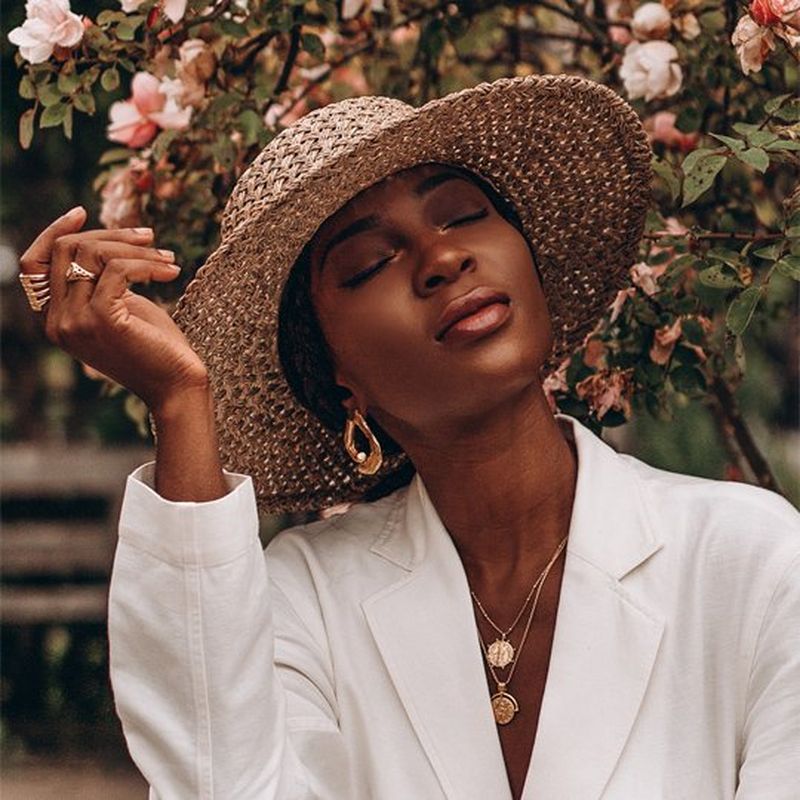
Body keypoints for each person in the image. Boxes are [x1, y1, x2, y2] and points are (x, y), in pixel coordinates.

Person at [17, 74, 800, 799]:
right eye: (366, 264)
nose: (442, 257)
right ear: (339, 382)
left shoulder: (747, 559)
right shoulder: (308, 601)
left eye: (464, 215)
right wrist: (183, 400)